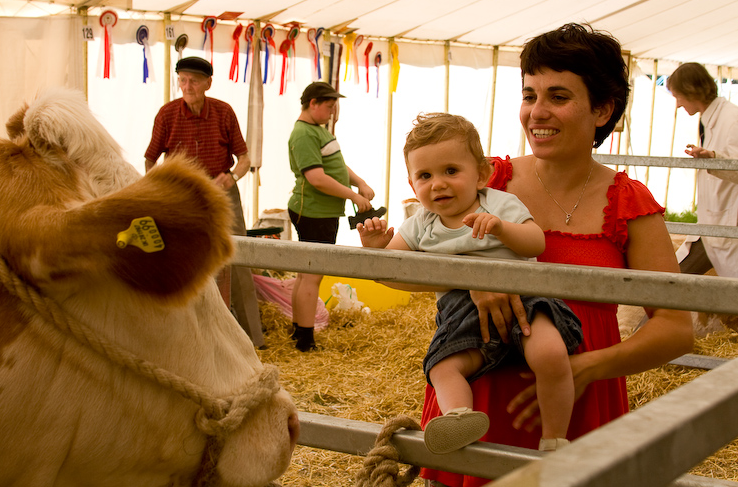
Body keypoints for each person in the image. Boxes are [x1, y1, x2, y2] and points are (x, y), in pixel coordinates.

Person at [413, 24, 693, 486]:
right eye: (529, 95)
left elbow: (675, 327)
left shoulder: (629, 202)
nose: (536, 112)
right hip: (480, 399)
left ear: (603, 110)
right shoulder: (486, 181)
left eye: (558, 97)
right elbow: (401, 259)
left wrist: (585, 368)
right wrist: (470, 274)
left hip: (578, 408)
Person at [358, 113, 583, 453]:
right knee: (443, 367)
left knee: (550, 354)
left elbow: (536, 242)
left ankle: (554, 439)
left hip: (525, 298)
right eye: (425, 175)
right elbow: (393, 268)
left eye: (451, 171)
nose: (438, 183)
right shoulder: (420, 223)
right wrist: (376, 249)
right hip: (461, 315)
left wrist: (501, 228)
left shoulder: (499, 204)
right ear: (411, 185)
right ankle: (461, 418)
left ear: (481, 174)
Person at [144, 56, 265, 348]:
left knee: (239, 254)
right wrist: (159, 188)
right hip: (183, 195)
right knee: (185, 257)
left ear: (208, 83)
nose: (187, 86)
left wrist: (230, 178)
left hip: (223, 193)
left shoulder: (224, 112)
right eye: (182, 80)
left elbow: (245, 159)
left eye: (194, 81)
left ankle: (252, 339)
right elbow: (149, 158)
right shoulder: (167, 114)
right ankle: (187, 336)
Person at [287, 81, 377, 351]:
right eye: (328, 106)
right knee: (312, 276)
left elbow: (335, 164)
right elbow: (316, 178)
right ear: (313, 103)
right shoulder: (303, 133)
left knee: (306, 274)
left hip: (322, 211)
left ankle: (298, 332)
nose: (331, 113)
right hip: (314, 212)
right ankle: (305, 339)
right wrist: (353, 197)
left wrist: (359, 182)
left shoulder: (317, 130)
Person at [667, 63, 738, 279]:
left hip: (728, 222)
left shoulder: (732, 119)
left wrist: (714, 159)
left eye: (678, 96)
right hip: (711, 223)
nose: (678, 104)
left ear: (692, 91)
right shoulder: (710, 119)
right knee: (673, 278)